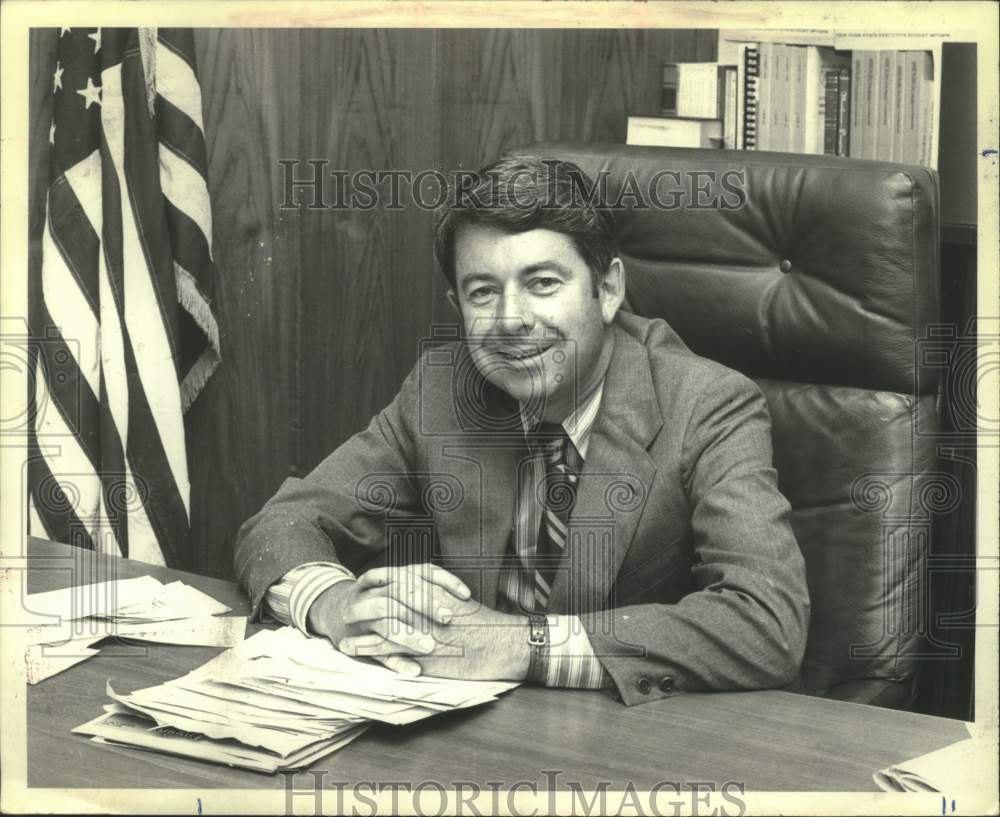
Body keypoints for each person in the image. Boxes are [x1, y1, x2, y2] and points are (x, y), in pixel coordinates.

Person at [234, 156, 810, 706]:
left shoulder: (707, 404)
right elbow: (284, 522)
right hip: (457, 722)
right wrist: (333, 604)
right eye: (484, 292)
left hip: (629, 745)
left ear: (607, 290)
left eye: (541, 283)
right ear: (457, 304)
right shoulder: (442, 389)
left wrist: (521, 645)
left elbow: (766, 624)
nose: (511, 321)